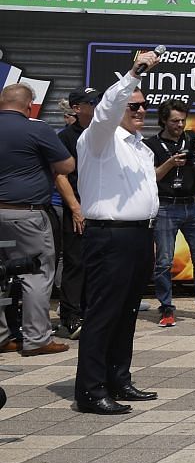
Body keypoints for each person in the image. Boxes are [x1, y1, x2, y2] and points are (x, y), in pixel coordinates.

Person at [73, 52, 163, 414]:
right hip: (110, 236)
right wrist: (134, 74)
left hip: (139, 236)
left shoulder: (139, 146)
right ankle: (91, 390)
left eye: (143, 107)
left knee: (127, 313)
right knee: (103, 313)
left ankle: (118, 379)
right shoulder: (98, 139)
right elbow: (109, 107)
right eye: (134, 106)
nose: (140, 111)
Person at [0, 82, 76, 360]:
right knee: (36, 274)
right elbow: (67, 166)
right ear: (29, 105)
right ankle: (36, 339)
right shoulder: (37, 129)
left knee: (0, 276)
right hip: (27, 214)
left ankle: (1, 337)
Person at [148, 100, 195, 327]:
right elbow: (152, 177)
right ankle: (166, 308)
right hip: (166, 205)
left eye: (182, 120)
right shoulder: (152, 145)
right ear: (163, 121)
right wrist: (170, 163)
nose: (179, 125)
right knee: (164, 261)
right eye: (174, 121)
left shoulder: (192, 139)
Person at [52, 88, 96, 338]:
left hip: (103, 210)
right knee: (75, 263)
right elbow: (61, 175)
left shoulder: (106, 132)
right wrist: (76, 209)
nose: (97, 105)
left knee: (98, 264)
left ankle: (93, 312)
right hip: (78, 208)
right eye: (92, 102)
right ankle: (70, 315)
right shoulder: (67, 137)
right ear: (77, 108)